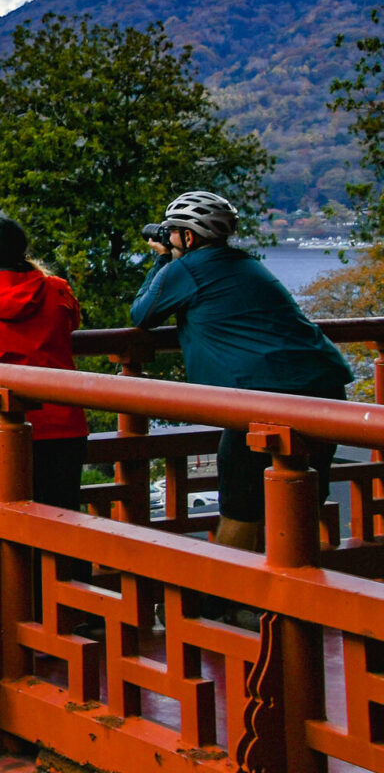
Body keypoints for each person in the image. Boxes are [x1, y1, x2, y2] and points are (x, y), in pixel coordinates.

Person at [130, 190, 351, 553]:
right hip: (323, 389)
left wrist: (163, 262)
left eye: (171, 231)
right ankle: (295, 598)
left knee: (240, 508)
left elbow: (142, 315)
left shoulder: (185, 268)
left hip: (264, 399)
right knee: (299, 503)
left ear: (187, 237)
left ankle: (221, 606)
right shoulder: (246, 263)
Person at [0, 217, 88, 511]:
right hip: (63, 418)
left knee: (10, 516)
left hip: (1, 422)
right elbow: (71, 327)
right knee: (64, 515)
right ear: (22, 250)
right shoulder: (57, 289)